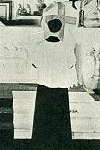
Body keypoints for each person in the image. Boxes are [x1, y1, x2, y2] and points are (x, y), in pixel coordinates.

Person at [31, 18, 76, 150]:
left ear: (47, 28)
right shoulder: (66, 47)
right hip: (60, 87)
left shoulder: (39, 45)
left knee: (43, 117)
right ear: (61, 29)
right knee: (60, 119)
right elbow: (71, 64)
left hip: (44, 86)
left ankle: (41, 143)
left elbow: (34, 64)